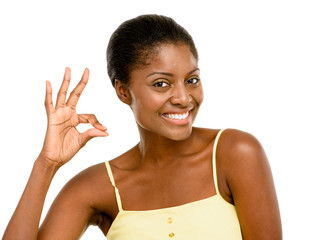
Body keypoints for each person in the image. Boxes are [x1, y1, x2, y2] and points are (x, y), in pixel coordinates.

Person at [2, 14, 282, 239]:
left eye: (192, 80)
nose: (183, 98)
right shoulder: (96, 188)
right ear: (123, 92)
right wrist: (46, 164)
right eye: (161, 84)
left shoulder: (236, 153)